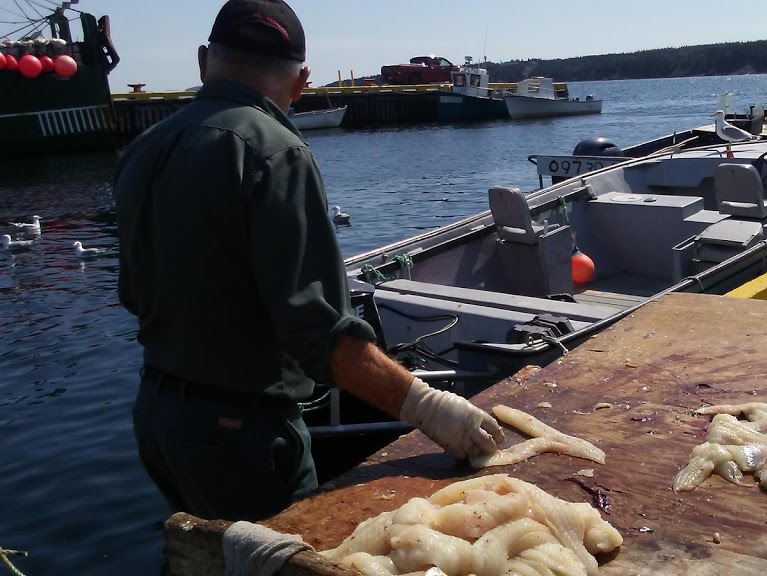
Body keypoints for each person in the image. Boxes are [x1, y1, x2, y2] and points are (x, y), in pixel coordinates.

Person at [113, 0, 503, 522]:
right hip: (242, 439)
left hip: (159, 420)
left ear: (204, 62)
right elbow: (320, 335)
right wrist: (429, 408)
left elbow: (134, 296)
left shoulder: (144, 148)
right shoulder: (276, 152)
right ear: (301, 83)